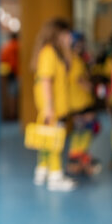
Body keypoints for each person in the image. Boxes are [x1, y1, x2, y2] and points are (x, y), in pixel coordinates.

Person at [31, 18, 77, 191]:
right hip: (52, 108)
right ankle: (55, 177)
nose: (70, 38)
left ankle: (42, 171)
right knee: (55, 142)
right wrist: (49, 108)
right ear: (58, 34)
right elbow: (46, 81)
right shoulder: (49, 53)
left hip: (55, 106)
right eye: (67, 34)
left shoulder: (56, 53)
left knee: (46, 139)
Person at [66, 32, 101, 176]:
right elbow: (78, 79)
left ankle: (79, 158)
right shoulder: (73, 60)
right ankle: (78, 157)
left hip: (82, 101)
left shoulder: (78, 59)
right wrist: (93, 87)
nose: (82, 46)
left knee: (83, 131)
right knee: (87, 129)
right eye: (79, 43)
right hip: (80, 102)